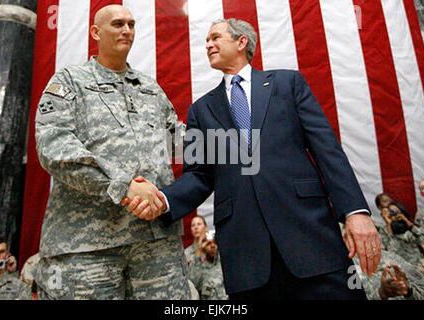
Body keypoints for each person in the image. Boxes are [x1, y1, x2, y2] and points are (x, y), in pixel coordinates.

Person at [126, 18, 381, 299]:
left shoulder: (288, 83)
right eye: (206, 41)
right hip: (246, 255)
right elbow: (199, 175)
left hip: (311, 238)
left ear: (241, 42)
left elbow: (327, 151)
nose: (208, 45)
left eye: (215, 38)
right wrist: (164, 200)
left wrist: (356, 212)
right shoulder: (201, 110)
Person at [33, 4, 189, 300]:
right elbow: (54, 147)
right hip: (87, 246)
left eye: (131, 24)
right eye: (118, 24)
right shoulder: (69, 81)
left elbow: (179, 144)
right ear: (95, 32)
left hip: (156, 244)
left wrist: (242, 142)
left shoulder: (150, 88)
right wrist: (124, 186)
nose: (127, 30)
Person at [188, 233, 228, 300]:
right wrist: (199, 251)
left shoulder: (223, 263)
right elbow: (194, 283)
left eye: (214, 243)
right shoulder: (199, 268)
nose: (213, 246)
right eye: (208, 244)